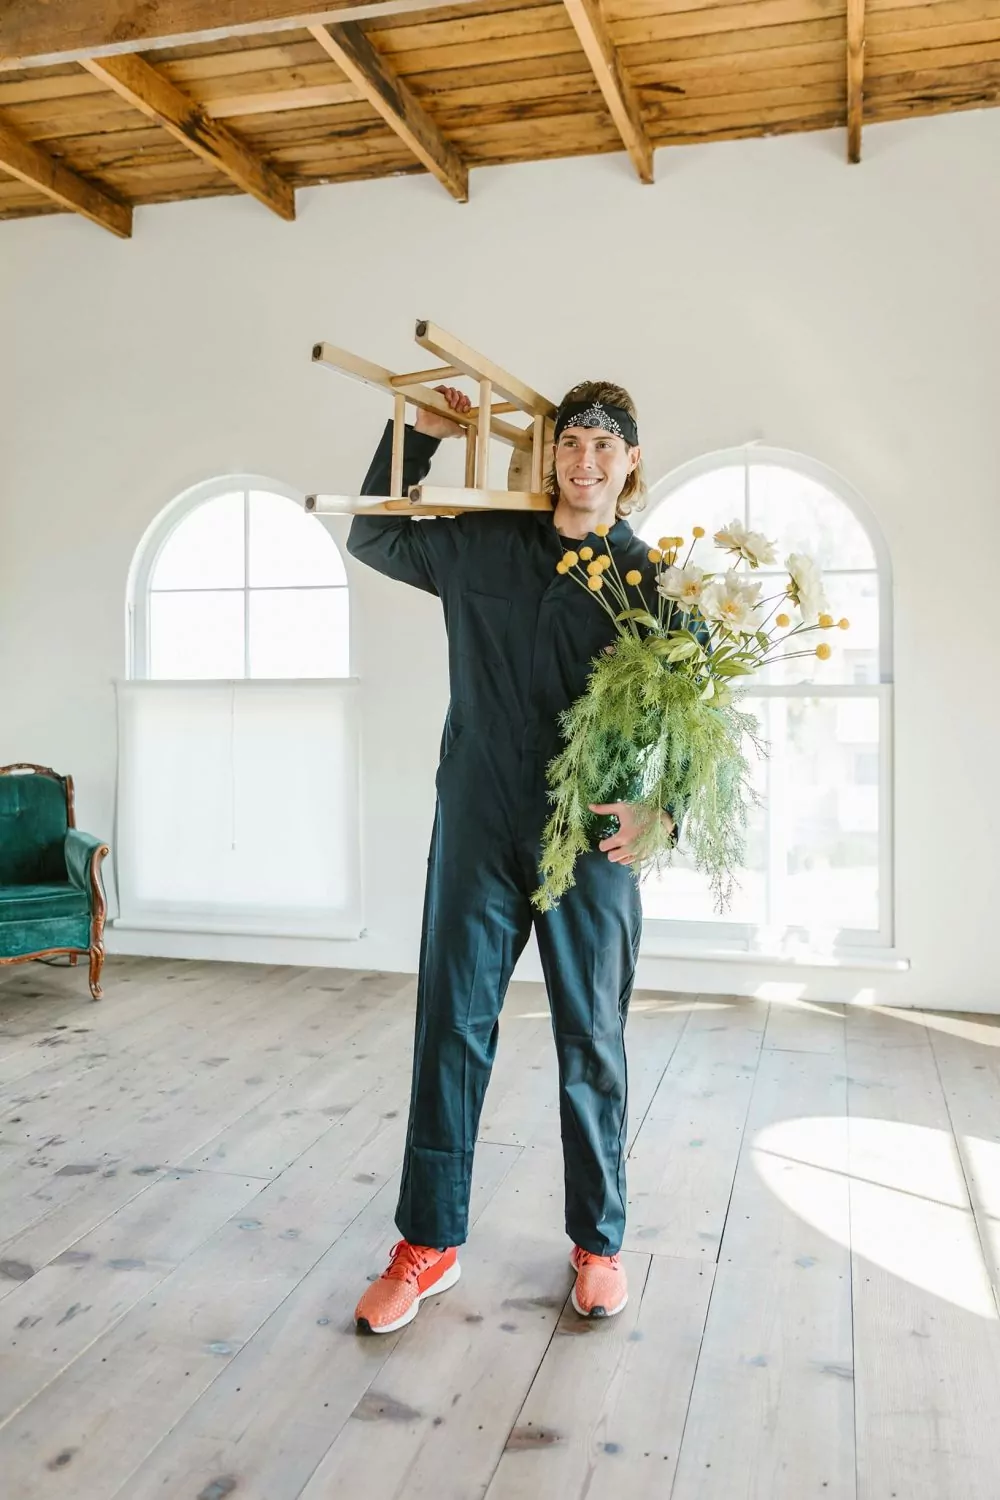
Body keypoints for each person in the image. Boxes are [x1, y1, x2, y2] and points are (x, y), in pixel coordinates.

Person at [348, 380, 676, 1334]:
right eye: (572, 441)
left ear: (630, 464)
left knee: (592, 1038)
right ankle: (428, 1243)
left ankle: (598, 1245)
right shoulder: (480, 541)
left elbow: (693, 719)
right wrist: (420, 435)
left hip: (590, 838)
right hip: (479, 824)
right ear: (550, 454)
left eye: (605, 446)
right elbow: (370, 535)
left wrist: (665, 809)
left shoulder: (656, 580)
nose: (585, 460)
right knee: (450, 1025)